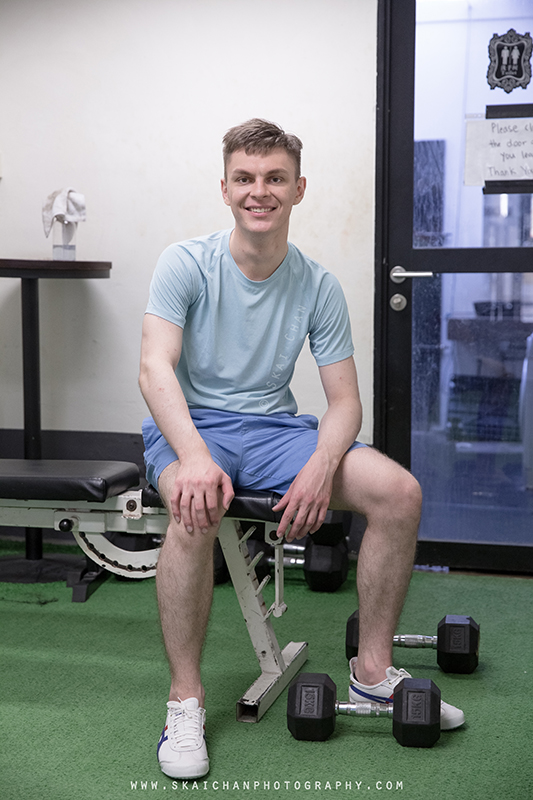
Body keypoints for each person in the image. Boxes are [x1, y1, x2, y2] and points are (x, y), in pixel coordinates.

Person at [139, 118, 464, 780]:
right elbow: (154, 369)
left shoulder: (316, 286)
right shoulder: (184, 262)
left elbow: (343, 401)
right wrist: (194, 457)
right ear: (225, 189)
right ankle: (185, 699)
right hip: (191, 426)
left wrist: (319, 465)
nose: (260, 191)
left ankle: (371, 671)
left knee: (399, 493)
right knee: (192, 509)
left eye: (274, 179)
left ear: (298, 188)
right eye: (245, 179)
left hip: (274, 432)